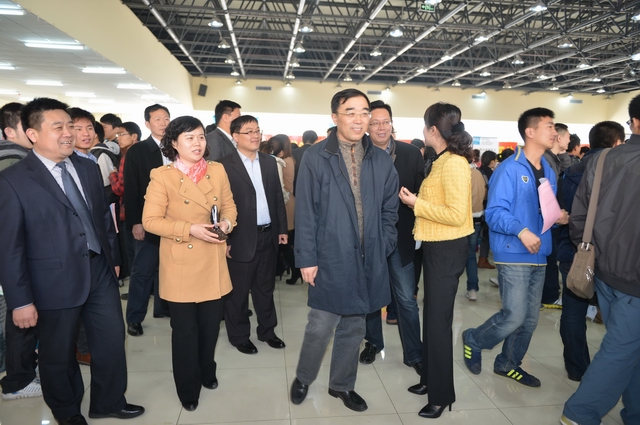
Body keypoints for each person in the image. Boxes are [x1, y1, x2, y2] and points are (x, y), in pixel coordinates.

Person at [0, 97, 144, 425]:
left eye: (70, 126)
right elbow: (9, 248)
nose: (69, 133)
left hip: (99, 269)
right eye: (58, 127)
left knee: (111, 340)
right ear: (33, 134)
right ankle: (67, 413)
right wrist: (20, 301)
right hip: (53, 279)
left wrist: (113, 258)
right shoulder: (13, 180)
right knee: (59, 354)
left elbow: (102, 219)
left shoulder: (87, 167)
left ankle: (109, 401)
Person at [289, 89, 398, 412]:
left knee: (354, 325)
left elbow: (390, 210)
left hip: (369, 256)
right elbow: (306, 212)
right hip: (330, 256)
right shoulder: (316, 157)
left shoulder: (381, 159)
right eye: (350, 112)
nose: (359, 119)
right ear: (335, 116)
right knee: (321, 324)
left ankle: (342, 385)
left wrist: (384, 243)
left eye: (364, 112)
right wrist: (307, 258)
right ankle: (304, 377)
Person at [462, 108, 568, 391]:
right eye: (549, 126)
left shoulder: (548, 170)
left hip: (539, 252)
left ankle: (508, 363)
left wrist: (558, 216)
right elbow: (494, 212)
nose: (554, 132)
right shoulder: (509, 168)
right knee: (514, 315)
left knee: (530, 320)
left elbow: (543, 208)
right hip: (514, 250)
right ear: (530, 132)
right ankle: (474, 338)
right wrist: (521, 230)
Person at [142, 116, 237, 412]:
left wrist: (226, 223)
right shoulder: (163, 176)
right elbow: (150, 221)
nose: (197, 143)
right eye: (189, 138)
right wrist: (190, 229)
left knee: (210, 327)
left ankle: (207, 370)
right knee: (185, 332)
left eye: (200, 137)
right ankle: (187, 387)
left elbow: (229, 206)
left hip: (212, 260)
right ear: (174, 143)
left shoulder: (217, 170)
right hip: (181, 262)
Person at [560, 94, 640, 425]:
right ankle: (580, 413)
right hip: (633, 279)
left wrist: (592, 252)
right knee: (622, 347)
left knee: (630, 346)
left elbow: (579, 216)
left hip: (602, 270)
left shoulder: (602, 158)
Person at [399, 102, 474, 419]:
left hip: (448, 248)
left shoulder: (454, 163)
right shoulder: (441, 159)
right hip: (436, 245)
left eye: (424, 125)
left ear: (433, 130)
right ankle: (429, 379)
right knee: (431, 317)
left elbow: (456, 215)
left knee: (439, 324)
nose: (422, 131)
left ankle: (442, 396)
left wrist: (416, 203)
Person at [358, 100, 424, 374]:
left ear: (392, 124)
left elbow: (423, 194)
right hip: (369, 239)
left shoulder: (411, 154)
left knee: (406, 299)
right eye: (374, 122)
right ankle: (373, 342)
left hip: (402, 239)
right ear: (366, 125)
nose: (381, 127)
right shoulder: (357, 154)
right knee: (371, 296)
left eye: (385, 122)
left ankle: (414, 353)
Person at [556, 121, 625, 383]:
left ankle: (577, 368)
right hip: (610, 255)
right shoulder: (620, 170)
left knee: (573, 312)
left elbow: (563, 211)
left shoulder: (570, 171)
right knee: (618, 316)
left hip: (574, 252)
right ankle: (614, 371)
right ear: (617, 143)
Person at [218, 115, 288, 355]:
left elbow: (276, 197)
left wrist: (281, 229)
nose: (255, 135)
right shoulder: (223, 165)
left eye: (257, 130)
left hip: (268, 234)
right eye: (249, 131)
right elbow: (217, 206)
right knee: (238, 293)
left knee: (265, 289)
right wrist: (225, 239)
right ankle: (239, 336)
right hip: (239, 237)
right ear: (235, 137)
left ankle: (267, 331)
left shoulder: (269, 162)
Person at [0, 101, 41, 401]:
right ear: (10, 131)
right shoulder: (13, 161)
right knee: (21, 314)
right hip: (16, 253)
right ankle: (18, 381)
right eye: (26, 126)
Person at [124, 104, 172, 337]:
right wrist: (136, 222)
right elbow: (131, 189)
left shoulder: (177, 147)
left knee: (171, 268)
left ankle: (165, 308)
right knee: (143, 270)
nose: (163, 123)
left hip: (175, 222)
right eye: (157, 119)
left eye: (166, 118)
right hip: (148, 220)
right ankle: (134, 317)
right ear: (147, 123)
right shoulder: (138, 151)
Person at [541, 123, 573, 309]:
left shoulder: (555, 159)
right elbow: (547, 192)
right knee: (550, 258)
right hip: (549, 219)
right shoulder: (546, 160)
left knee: (551, 257)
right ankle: (549, 296)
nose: (570, 140)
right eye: (567, 136)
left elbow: (567, 172)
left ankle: (548, 295)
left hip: (553, 218)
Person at [109, 122, 142, 277]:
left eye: (122, 134)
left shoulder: (129, 155)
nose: (118, 138)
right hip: (145, 214)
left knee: (134, 258)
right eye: (118, 135)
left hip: (130, 214)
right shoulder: (145, 152)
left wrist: (112, 175)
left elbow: (121, 189)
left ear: (134, 136)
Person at [270, 134, 301, 285]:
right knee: (283, 240)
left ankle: (295, 269)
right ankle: (284, 268)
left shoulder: (282, 162)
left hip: (285, 202)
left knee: (284, 241)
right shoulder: (289, 159)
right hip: (288, 201)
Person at [465, 157, 488, 301]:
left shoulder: (461, 172)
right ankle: (472, 289)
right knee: (471, 256)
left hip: (462, 219)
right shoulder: (478, 173)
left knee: (452, 257)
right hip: (477, 218)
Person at [478, 150, 498, 270]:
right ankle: (483, 259)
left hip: (477, 208)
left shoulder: (478, 171)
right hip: (487, 207)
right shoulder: (491, 174)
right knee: (486, 235)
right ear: (491, 162)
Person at [292, 129, 317, 194]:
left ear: (303, 139)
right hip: (312, 186)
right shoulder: (317, 152)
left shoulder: (294, 152)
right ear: (315, 140)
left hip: (296, 184)